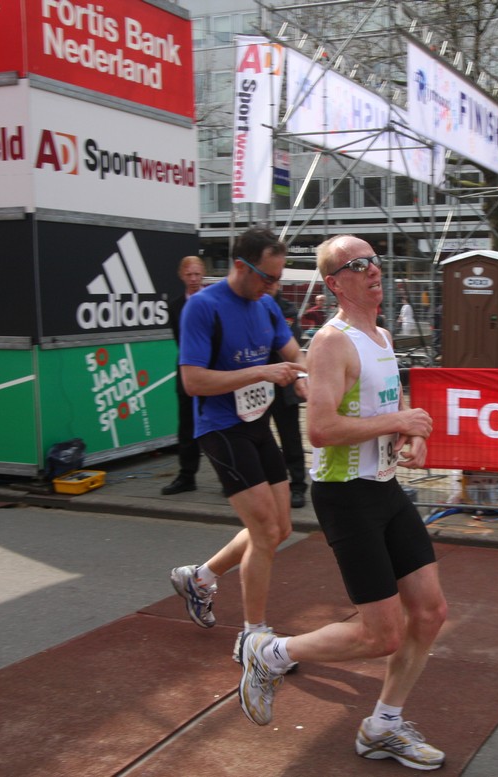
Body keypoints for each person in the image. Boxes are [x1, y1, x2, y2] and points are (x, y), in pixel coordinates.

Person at [236, 234, 449, 771]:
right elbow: (322, 428)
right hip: (347, 495)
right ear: (334, 283)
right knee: (382, 634)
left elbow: (387, 402)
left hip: (385, 487)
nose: (374, 269)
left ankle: (383, 727)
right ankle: (270, 653)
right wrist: (399, 420)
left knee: (430, 613)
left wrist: (409, 434)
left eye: (375, 260)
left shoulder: (380, 334)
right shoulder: (331, 343)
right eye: (359, 264)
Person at [168, 226, 307, 652]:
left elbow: (294, 354)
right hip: (219, 428)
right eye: (268, 277)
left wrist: (306, 378)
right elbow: (193, 381)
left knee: (280, 528)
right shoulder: (203, 307)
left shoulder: (266, 306)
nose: (274, 286)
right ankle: (254, 638)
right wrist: (261, 371)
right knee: (264, 531)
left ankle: (200, 578)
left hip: (256, 424)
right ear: (241, 267)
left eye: (279, 278)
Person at [162, 256, 206, 496]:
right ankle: (187, 475)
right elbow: (180, 341)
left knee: (218, 426)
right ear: (182, 276)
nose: (193, 279)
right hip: (187, 372)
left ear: (203, 274)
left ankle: (228, 477)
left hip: (214, 372)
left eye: (197, 274)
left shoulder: (213, 302)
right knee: (187, 426)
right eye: (189, 275)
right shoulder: (175, 306)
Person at [270, 287, 309, 509]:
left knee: (290, 437)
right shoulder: (247, 305)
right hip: (256, 382)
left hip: (284, 384)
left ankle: (297, 485)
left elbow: (288, 343)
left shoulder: (286, 309)